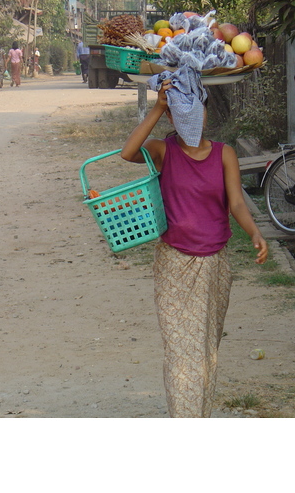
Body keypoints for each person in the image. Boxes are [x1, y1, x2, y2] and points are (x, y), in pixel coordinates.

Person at [121, 80, 268, 418]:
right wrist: (157, 106)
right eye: (178, 114)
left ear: (205, 114)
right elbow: (128, 153)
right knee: (180, 351)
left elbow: (237, 204)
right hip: (175, 264)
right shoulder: (163, 150)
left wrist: (255, 233)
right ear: (171, 119)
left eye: (196, 112)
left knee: (204, 350)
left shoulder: (224, 153)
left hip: (215, 265)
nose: (190, 120)